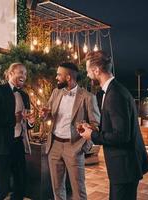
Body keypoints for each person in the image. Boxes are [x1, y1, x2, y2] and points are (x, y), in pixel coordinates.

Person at [80, 51, 148, 200]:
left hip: (124, 167)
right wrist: (96, 129)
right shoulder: (115, 89)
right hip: (123, 166)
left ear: (96, 70)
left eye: (88, 71)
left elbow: (121, 136)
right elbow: (117, 128)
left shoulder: (115, 94)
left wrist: (92, 136)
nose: (87, 75)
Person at [39, 62, 100, 200]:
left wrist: (83, 147)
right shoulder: (55, 92)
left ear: (68, 77)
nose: (56, 77)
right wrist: (44, 115)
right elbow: (49, 113)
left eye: (59, 75)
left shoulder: (88, 97)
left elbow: (95, 125)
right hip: (54, 145)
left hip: (74, 147)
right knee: (57, 187)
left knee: (78, 190)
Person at [0, 63, 35, 200]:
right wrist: (13, 119)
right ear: (10, 73)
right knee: (2, 189)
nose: (24, 76)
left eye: (25, 74)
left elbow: (25, 121)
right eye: (20, 72)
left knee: (20, 186)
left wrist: (31, 121)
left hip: (17, 145)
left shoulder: (24, 95)